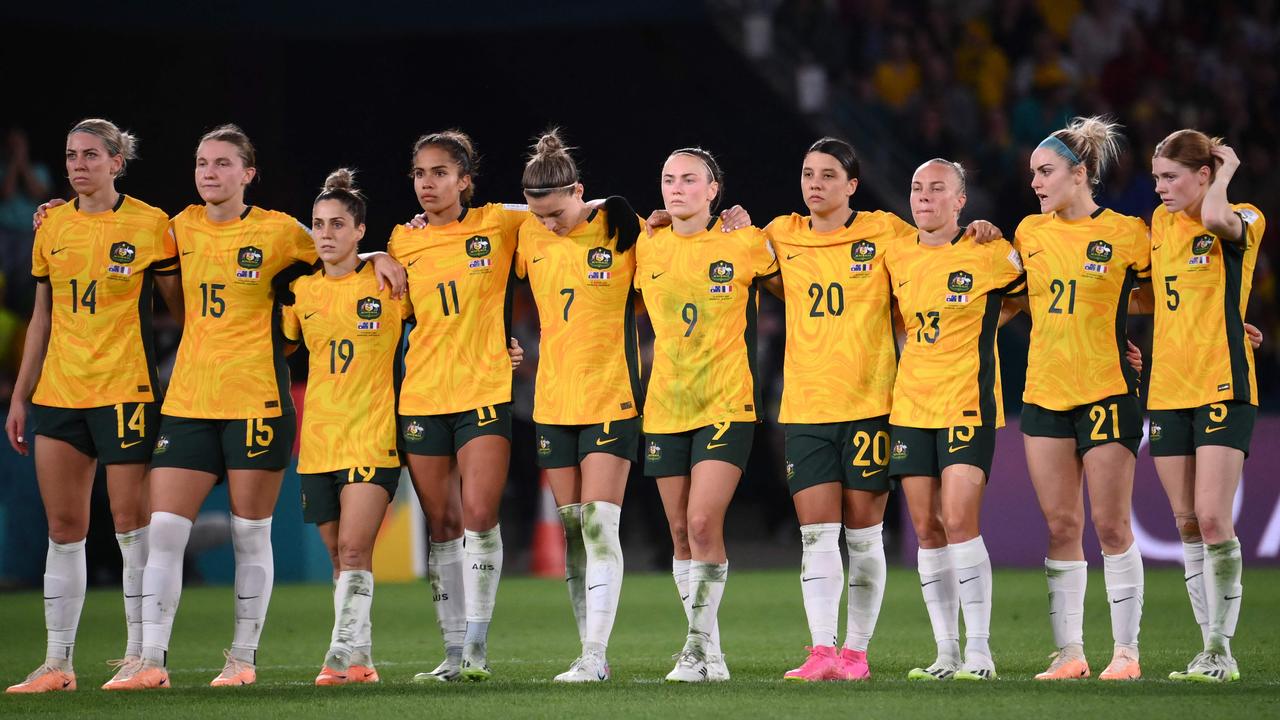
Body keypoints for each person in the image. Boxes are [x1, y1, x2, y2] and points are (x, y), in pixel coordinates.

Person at [112, 124, 404, 691]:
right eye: (201, 162)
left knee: (251, 534)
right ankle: (149, 659)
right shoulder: (176, 229)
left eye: (222, 163)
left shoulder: (278, 231)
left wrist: (375, 253)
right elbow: (111, 230)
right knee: (164, 530)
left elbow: (332, 255)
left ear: (248, 173)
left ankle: (241, 659)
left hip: (257, 402)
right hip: (191, 400)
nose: (208, 173)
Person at [5, 119, 181, 694]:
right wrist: (20, 394)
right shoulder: (50, 223)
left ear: (116, 162)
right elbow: (42, 318)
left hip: (124, 392)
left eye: (89, 156)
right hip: (58, 394)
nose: (78, 165)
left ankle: (140, 657)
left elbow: (181, 312)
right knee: (64, 528)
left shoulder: (151, 225)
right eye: (70, 156)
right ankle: (57, 664)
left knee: (132, 525)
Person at [1008, 117, 1149, 681]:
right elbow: (1018, 301)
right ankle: (1069, 655)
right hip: (1044, 392)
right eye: (1032, 175)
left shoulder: (1127, 233)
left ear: (1080, 173)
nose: (1037, 183)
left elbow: (1164, 293)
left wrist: (1228, 325)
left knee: (1111, 526)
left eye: (1045, 172)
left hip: (1106, 389)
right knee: (1062, 526)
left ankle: (1127, 654)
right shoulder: (1028, 233)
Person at [636, 147, 779, 682]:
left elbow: (803, 272)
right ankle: (711, 654)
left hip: (726, 401)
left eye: (689, 179)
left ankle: (696, 649)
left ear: (713, 189)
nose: (676, 189)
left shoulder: (745, 243)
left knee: (701, 521)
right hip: (666, 405)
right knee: (677, 530)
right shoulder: (645, 246)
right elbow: (567, 213)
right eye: (668, 179)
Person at [391, 130, 527, 683]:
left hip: (484, 390)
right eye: (421, 173)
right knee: (441, 522)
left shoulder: (498, 224)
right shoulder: (401, 240)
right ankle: (450, 651)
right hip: (422, 393)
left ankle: (475, 644)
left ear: (465, 181)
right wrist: (376, 252)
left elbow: (558, 205)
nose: (429, 183)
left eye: (441, 172)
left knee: (478, 515)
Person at [885, 158, 1026, 682]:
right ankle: (946, 652)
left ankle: (981, 652)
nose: (924, 196)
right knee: (926, 528)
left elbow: (1049, 294)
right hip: (910, 406)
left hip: (967, 403)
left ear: (961, 201)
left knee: (961, 520)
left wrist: (1112, 338)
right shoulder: (897, 256)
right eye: (918, 187)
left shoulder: (990, 253)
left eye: (937, 189)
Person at [513, 130, 641, 682]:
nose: (549, 224)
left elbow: (675, 237)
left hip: (611, 397)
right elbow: (473, 219)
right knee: (571, 531)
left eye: (558, 212)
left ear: (580, 192)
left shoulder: (621, 230)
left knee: (598, 526)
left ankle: (593, 655)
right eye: (539, 215)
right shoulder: (526, 231)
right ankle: (592, 653)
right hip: (552, 403)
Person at [277, 169, 411, 686]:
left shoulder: (388, 283)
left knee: (355, 550)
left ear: (360, 231)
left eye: (337, 224)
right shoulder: (301, 293)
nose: (325, 233)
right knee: (339, 557)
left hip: (372, 435)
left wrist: (381, 256)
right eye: (317, 224)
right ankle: (362, 661)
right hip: (318, 441)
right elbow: (284, 348)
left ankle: (336, 655)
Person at [1144, 130, 1265, 683]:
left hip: (1222, 382)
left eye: (1171, 177)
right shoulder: (1160, 225)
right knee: (1187, 521)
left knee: (1215, 516)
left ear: (1203, 175)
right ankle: (1205, 647)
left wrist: (1227, 172)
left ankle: (1222, 648)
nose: (1161, 188)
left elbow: (1216, 222)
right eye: (1156, 178)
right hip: (1168, 387)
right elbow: (1160, 296)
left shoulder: (1243, 215)